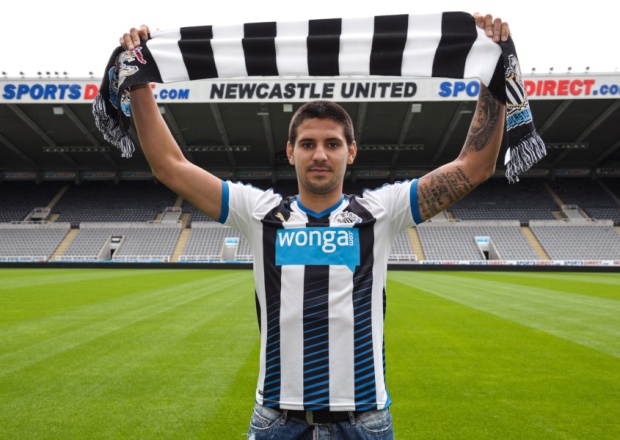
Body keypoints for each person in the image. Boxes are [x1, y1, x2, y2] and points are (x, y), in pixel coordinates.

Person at [119, 12, 510, 439]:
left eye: (332, 144)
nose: (319, 154)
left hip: (364, 422)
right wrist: (138, 78)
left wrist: (493, 71)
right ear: (290, 152)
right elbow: (170, 167)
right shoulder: (260, 211)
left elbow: (475, 165)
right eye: (308, 144)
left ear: (351, 152)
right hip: (277, 421)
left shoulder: (381, 211)